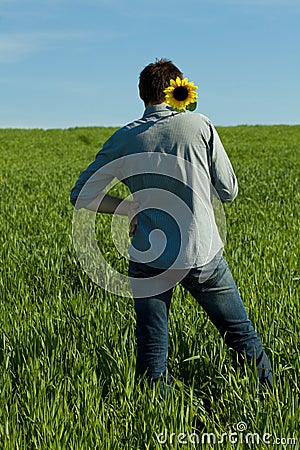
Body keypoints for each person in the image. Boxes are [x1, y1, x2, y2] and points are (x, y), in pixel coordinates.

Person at [70, 58, 272, 396]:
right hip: (201, 254)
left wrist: (127, 207)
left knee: (152, 352)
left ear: (142, 95)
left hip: (149, 257)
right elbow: (229, 191)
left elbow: (81, 194)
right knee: (240, 335)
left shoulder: (124, 139)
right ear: (177, 89)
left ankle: (156, 421)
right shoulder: (199, 125)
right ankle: (273, 400)